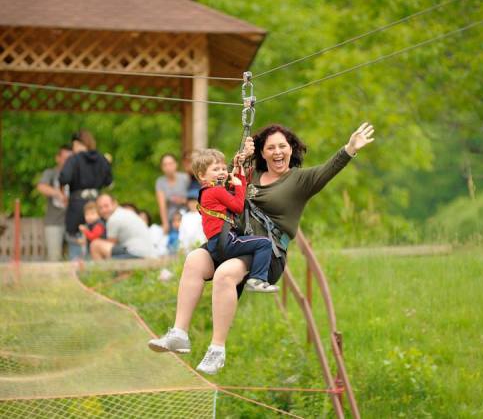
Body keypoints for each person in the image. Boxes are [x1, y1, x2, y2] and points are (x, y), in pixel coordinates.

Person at [148, 122, 375, 375]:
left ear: (291, 149)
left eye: (282, 146)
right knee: (194, 260)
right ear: (263, 153)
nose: (277, 152)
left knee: (225, 274)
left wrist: (349, 149)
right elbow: (226, 180)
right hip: (233, 240)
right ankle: (179, 333)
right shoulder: (251, 174)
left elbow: (328, 169)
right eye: (270, 148)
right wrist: (242, 156)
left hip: (265, 253)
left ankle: (217, 349)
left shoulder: (300, 180)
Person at [191, 148, 277, 292]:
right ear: (202, 175)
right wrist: (239, 184)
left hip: (216, 243)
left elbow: (230, 194)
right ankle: (257, 279)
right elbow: (238, 206)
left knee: (252, 242)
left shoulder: (207, 192)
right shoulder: (216, 191)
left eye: (224, 168)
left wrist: (239, 172)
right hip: (226, 241)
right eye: (216, 169)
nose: (222, 172)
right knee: (264, 243)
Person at [59, 130, 112, 260]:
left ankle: (76, 276)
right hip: (96, 205)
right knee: (97, 237)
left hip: (77, 206)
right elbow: (109, 181)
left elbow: (64, 178)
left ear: (77, 143)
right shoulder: (102, 159)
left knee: (76, 241)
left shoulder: (74, 159)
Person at [90, 194, 157, 260]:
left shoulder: (114, 219)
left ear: (115, 204)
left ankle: (101, 270)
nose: (103, 210)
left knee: (95, 245)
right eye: (100, 208)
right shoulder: (126, 213)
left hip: (138, 255)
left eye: (106, 206)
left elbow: (110, 245)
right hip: (150, 254)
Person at [36, 144, 73, 261]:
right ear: (58, 158)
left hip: (73, 222)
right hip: (54, 222)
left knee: (75, 258)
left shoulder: (77, 174)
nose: (68, 161)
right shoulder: (51, 173)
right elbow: (41, 186)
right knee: (54, 257)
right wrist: (57, 193)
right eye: (65, 158)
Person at [156, 153, 190, 234]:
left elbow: (194, 198)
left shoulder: (185, 178)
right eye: (165, 165)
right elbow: (162, 205)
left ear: (176, 164)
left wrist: (182, 201)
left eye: (170, 164)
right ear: (162, 167)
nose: (168, 167)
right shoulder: (160, 182)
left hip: (187, 215)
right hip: (171, 219)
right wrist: (165, 223)